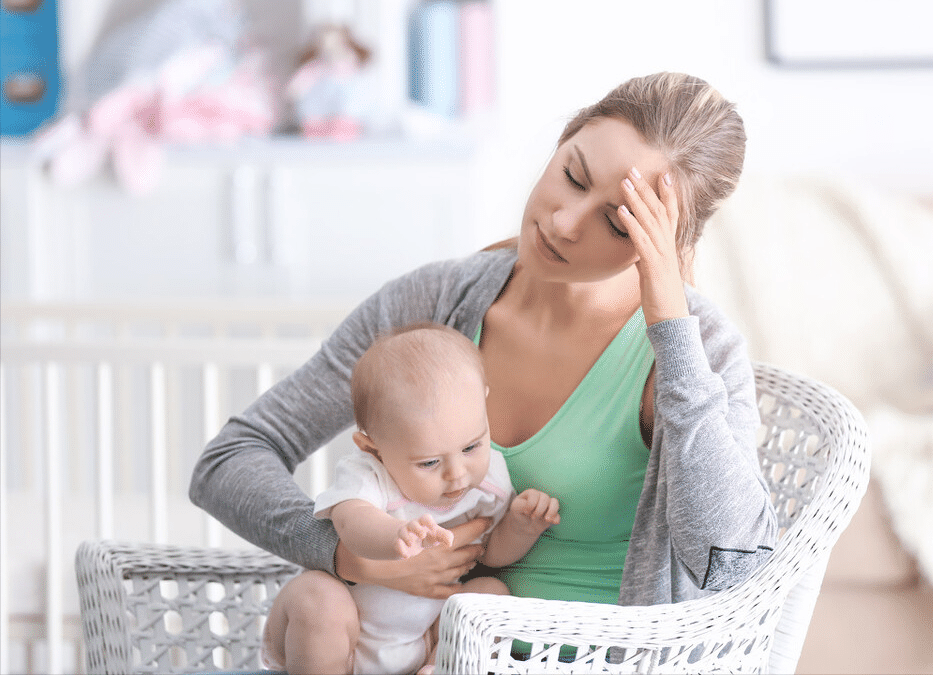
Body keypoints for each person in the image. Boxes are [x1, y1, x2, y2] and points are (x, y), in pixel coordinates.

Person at [190, 71, 778, 673]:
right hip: (416, 652)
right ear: (560, 143)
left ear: (661, 240)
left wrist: (670, 324)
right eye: (572, 175)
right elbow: (231, 457)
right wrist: (346, 556)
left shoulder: (694, 349)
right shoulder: (437, 301)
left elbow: (731, 561)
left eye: (619, 222)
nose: (564, 222)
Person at [261, 323, 560, 674]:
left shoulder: (489, 476)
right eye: (429, 462)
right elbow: (350, 520)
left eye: (471, 446)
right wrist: (394, 536)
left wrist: (521, 526)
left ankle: (438, 666)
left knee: (490, 592)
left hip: (421, 639)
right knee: (317, 595)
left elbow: (489, 552)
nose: (457, 473)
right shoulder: (369, 473)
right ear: (375, 449)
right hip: (344, 637)